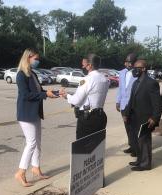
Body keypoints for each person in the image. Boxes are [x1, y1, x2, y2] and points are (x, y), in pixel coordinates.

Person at [14, 49, 58, 187]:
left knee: (37, 142)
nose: (37, 61)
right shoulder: (21, 75)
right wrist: (45, 95)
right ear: (28, 58)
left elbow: (39, 91)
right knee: (31, 142)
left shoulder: (32, 73)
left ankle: (36, 168)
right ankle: (20, 172)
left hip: (35, 113)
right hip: (26, 114)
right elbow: (26, 95)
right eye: (36, 58)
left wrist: (52, 92)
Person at [124, 60, 162, 171]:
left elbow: (157, 103)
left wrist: (155, 118)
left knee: (144, 141)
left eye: (137, 67)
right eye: (134, 67)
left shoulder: (151, 83)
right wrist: (126, 113)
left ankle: (146, 164)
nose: (134, 70)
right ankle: (140, 160)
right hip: (134, 117)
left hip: (146, 118)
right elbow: (131, 100)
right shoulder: (135, 82)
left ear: (144, 68)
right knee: (136, 141)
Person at [61, 53, 109, 140]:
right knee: (97, 146)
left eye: (84, 65)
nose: (83, 67)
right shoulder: (105, 79)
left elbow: (77, 100)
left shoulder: (86, 79)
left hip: (88, 118)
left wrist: (66, 96)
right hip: (101, 115)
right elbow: (91, 95)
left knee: (83, 148)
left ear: (90, 65)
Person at [116, 53, 137, 156]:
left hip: (133, 105)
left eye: (131, 62)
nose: (128, 64)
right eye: (127, 62)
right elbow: (120, 89)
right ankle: (131, 145)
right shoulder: (122, 73)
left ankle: (136, 148)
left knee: (134, 127)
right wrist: (117, 101)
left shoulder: (137, 73)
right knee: (127, 127)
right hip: (124, 105)